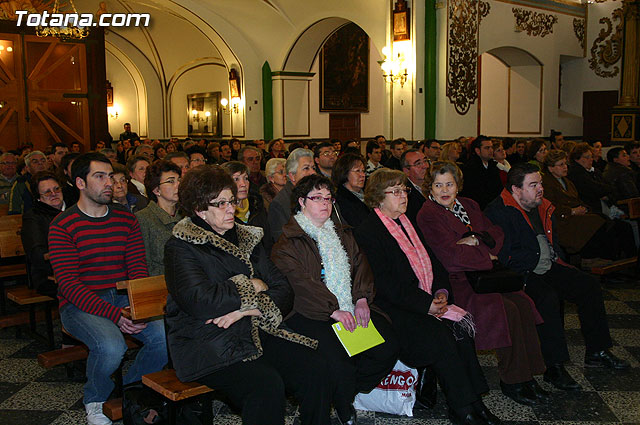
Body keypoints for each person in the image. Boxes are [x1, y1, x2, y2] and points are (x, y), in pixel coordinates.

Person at [164, 166, 331, 425]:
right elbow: (201, 301)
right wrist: (252, 285)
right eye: (220, 203)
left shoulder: (245, 236)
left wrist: (249, 309)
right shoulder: (181, 246)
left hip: (255, 327)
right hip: (207, 341)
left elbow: (283, 288)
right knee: (265, 386)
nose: (231, 208)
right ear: (199, 209)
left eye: (231, 200)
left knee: (315, 367)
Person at [355, 169, 501, 425]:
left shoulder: (407, 221)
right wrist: (426, 305)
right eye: (396, 191)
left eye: (405, 190)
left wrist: (441, 293)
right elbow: (385, 284)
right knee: (440, 336)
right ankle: (461, 406)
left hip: (421, 300)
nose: (403, 196)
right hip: (393, 309)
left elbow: (434, 262)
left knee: (461, 331)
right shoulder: (369, 231)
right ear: (379, 197)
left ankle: (476, 402)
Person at [484, 163, 629, 393]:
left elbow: (552, 241)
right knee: (548, 297)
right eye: (533, 185)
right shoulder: (498, 211)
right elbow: (505, 254)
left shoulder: (541, 205)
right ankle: (555, 366)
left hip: (548, 265)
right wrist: (537, 258)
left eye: (540, 183)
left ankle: (597, 351)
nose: (540, 188)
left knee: (589, 285)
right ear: (516, 189)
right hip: (521, 272)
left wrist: (555, 259)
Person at [48, 153, 167, 425]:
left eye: (110, 176)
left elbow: (137, 268)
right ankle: (95, 399)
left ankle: (132, 391)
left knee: (163, 338)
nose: (109, 183)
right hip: (80, 304)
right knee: (111, 346)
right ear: (80, 182)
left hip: (124, 298)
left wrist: (138, 310)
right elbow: (69, 285)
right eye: (99, 176)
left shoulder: (125, 219)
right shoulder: (63, 226)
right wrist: (117, 317)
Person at [271, 174, 398, 425]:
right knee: (339, 360)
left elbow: (360, 264)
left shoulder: (342, 232)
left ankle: (344, 391)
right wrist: (334, 310)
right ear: (301, 202)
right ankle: (342, 401)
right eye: (317, 198)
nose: (324, 203)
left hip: (349, 305)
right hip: (308, 313)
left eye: (328, 198)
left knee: (388, 347)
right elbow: (301, 285)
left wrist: (361, 299)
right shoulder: (286, 243)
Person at [417, 161, 547, 406]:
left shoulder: (469, 204)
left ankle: (527, 375)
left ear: (458, 186)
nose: (444, 190)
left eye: (449, 184)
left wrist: (474, 240)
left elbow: (496, 234)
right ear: (430, 188)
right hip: (459, 284)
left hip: (486, 277)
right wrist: (485, 254)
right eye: (438, 185)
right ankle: (512, 380)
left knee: (521, 304)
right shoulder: (428, 213)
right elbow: (451, 258)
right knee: (506, 311)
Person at [542, 150, 635, 260]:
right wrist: (572, 211)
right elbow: (550, 207)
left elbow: (577, 199)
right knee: (599, 224)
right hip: (563, 221)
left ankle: (624, 259)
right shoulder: (546, 184)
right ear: (550, 168)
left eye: (565, 164)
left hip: (576, 216)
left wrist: (584, 208)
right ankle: (595, 259)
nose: (565, 167)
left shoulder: (567, 181)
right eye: (561, 165)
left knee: (619, 226)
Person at [21, 172, 66, 297]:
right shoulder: (33, 217)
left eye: (56, 189)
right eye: (47, 192)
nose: (53, 194)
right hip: (47, 274)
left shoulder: (75, 211)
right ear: (38, 198)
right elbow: (37, 254)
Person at [135, 160, 182, 276]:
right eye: (171, 181)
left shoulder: (187, 215)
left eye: (179, 180)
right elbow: (144, 263)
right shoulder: (143, 218)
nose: (178, 185)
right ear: (156, 190)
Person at [268, 148, 316, 243]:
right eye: (306, 168)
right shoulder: (279, 204)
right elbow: (284, 243)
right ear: (292, 176)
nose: (313, 172)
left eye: (313, 168)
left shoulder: (320, 196)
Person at [567, 143, 614, 214]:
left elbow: (608, 186)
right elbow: (595, 189)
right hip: (589, 209)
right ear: (577, 159)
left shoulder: (593, 171)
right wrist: (604, 191)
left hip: (599, 206)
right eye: (587, 157)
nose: (591, 159)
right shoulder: (576, 173)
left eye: (591, 157)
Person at [461, 136, 503, 210]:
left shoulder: (493, 166)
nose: (491, 150)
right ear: (477, 150)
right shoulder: (470, 169)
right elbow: (472, 193)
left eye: (491, 147)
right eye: (487, 148)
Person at [333, 153, 370, 227]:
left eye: (363, 171)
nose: (362, 175)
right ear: (344, 173)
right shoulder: (341, 201)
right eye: (357, 171)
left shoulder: (366, 196)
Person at [9, 150, 48, 214]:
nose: (40, 163)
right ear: (28, 168)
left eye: (43, 161)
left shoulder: (56, 180)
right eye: (35, 162)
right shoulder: (21, 183)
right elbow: (14, 209)